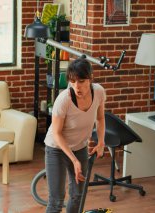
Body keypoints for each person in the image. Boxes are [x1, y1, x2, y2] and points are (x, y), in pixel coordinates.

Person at [44, 58, 106, 213]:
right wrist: (74, 160)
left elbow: (100, 118)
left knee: (77, 195)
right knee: (56, 201)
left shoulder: (98, 92)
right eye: (72, 81)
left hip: (80, 147)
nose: (76, 86)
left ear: (91, 78)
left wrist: (101, 142)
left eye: (81, 81)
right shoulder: (63, 100)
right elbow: (57, 133)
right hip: (56, 148)